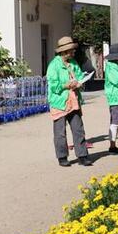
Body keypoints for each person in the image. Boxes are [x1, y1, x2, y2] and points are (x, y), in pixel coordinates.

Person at [46, 36, 93, 167]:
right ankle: (62, 156)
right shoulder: (54, 65)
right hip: (59, 102)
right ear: (64, 51)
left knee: (78, 129)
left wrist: (79, 83)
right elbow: (54, 85)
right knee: (60, 132)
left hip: (74, 100)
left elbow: (79, 76)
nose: (73, 53)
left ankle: (82, 155)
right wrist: (67, 85)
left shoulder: (73, 63)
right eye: (71, 50)